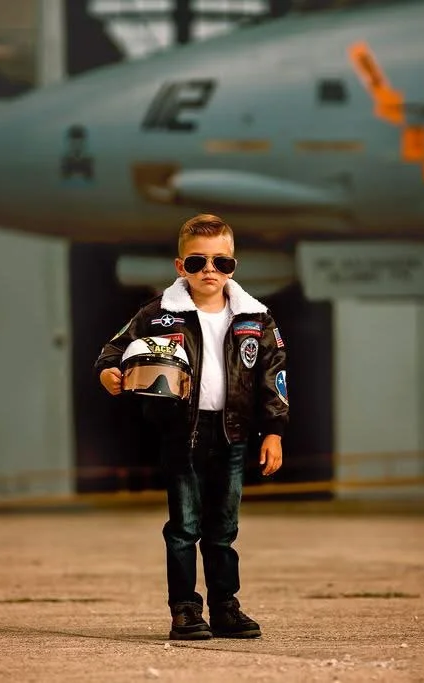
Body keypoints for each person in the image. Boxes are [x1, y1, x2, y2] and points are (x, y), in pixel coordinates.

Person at [94, 213, 289, 640]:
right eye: (198, 262)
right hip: (181, 433)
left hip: (235, 433)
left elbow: (272, 377)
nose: (210, 272)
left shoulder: (255, 317)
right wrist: (110, 373)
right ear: (180, 266)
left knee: (223, 530)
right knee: (184, 527)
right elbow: (114, 348)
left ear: (234, 265)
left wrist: (273, 431)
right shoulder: (160, 313)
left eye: (223, 263)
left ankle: (225, 607)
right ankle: (184, 609)